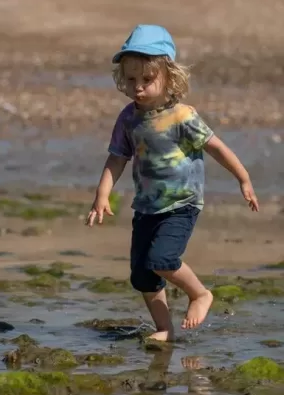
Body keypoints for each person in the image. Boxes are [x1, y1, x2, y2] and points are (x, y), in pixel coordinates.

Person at [86, 25, 259, 341]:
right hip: (147, 207)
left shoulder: (182, 116)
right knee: (142, 275)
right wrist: (102, 195)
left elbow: (216, 146)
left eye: (147, 80)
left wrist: (243, 178)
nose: (138, 87)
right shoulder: (128, 119)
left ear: (169, 76)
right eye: (131, 80)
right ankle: (165, 329)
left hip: (181, 204)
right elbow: (117, 158)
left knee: (162, 260)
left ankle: (200, 294)